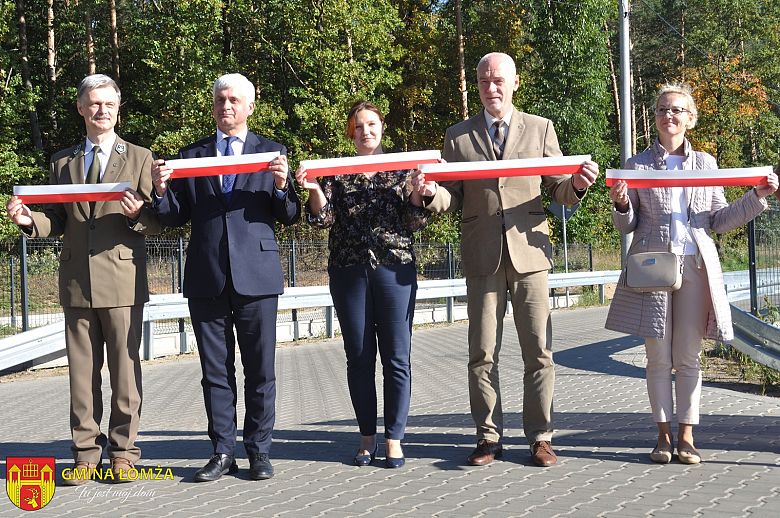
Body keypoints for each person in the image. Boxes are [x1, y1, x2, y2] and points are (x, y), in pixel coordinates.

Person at [412, 52, 600, 467]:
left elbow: (558, 190)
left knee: (539, 352)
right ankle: (488, 437)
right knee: (481, 353)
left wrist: (579, 185)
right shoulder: (458, 137)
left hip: (530, 254)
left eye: (499, 80)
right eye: (483, 81)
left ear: (515, 83)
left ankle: (541, 437)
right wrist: (429, 194)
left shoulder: (541, 128)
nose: (491, 88)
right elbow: (451, 196)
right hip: (482, 256)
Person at [605, 83, 778, 464]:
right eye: (664, 109)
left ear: (690, 119)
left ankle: (687, 434)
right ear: (655, 116)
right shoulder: (636, 165)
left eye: (678, 110)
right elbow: (627, 224)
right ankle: (662, 436)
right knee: (657, 358)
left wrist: (757, 197)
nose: (670, 116)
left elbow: (718, 219)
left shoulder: (706, 164)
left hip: (696, 267)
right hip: (653, 269)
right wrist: (620, 202)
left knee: (688, 356)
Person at [5, 74, 160, 484]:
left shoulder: (141, 157)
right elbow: (55, 219)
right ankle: (86, 454)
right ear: (81, 108)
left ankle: (124, 453)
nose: (101, 111)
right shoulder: (62, 162)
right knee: (80, 374)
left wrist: (136, 215)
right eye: (94, 104)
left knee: (125, 373)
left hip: (123, 277)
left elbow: (157, 220)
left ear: (118, 108)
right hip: (77, 279)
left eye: (109, 104)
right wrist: (27, 220)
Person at [151, 73, 300, 481]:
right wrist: (162, 191)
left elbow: (289, 215)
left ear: (251, 106)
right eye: (220, 99)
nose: (226, 106)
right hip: (207, 276)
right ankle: (221, 451)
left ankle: (259, 451)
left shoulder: (271, 152)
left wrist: (283, 187)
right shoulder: (192, 155)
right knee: (215, 372)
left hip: (257, 276)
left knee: (260, 370)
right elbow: (173, 216)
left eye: (234, 99)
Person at [295, 101, 428, 468]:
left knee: (397, 359)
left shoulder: (403, 169)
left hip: (394, 270)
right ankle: (366, 437)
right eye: (358, 126)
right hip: (348, 271)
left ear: (382, 127)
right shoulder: (337, 171)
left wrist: (418, 192)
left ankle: (395, 438)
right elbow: (323, 220)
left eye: (371, 124)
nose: (365, 131)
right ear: (350, 133)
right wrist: (314, 188)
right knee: (359, 358)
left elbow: (415, 221)